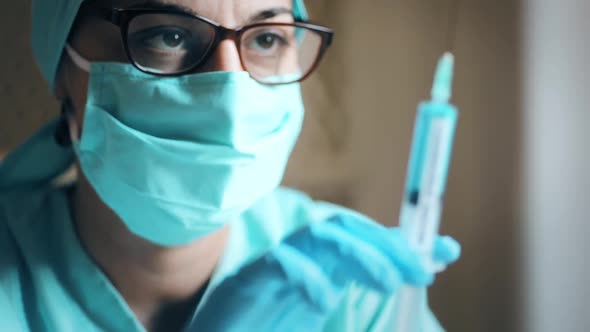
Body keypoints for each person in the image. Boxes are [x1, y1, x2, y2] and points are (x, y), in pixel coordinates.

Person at [0, 0, 461, 331]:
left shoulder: (347, 281)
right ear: (62, 66)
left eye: (265, 38)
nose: (229, 91)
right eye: (169, 35)